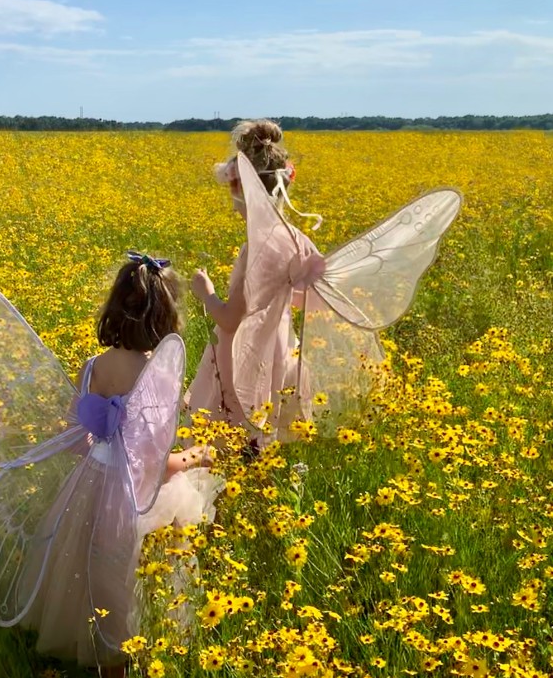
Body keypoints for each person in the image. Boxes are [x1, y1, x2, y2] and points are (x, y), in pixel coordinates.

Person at [0, 254, 222, 678]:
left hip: (90, 482)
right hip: (136, 496)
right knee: (132, 583)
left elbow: (77, 435)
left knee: (90, 575)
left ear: (113, 307)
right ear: (167, 315)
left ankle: (102, 668)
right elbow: (157, 463)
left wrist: (106, 439)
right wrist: (196, 457)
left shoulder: (94, 366)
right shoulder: (156, 374)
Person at [186, 119, 462, 439]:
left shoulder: (256, 249)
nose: (232, 203)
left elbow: (230, 319)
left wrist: (205, 292)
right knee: (265, 432)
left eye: (232, 190)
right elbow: (303, 296)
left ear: (243, 190)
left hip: (242, 353)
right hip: (279, 349)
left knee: (227, 435)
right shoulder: (296, 239)